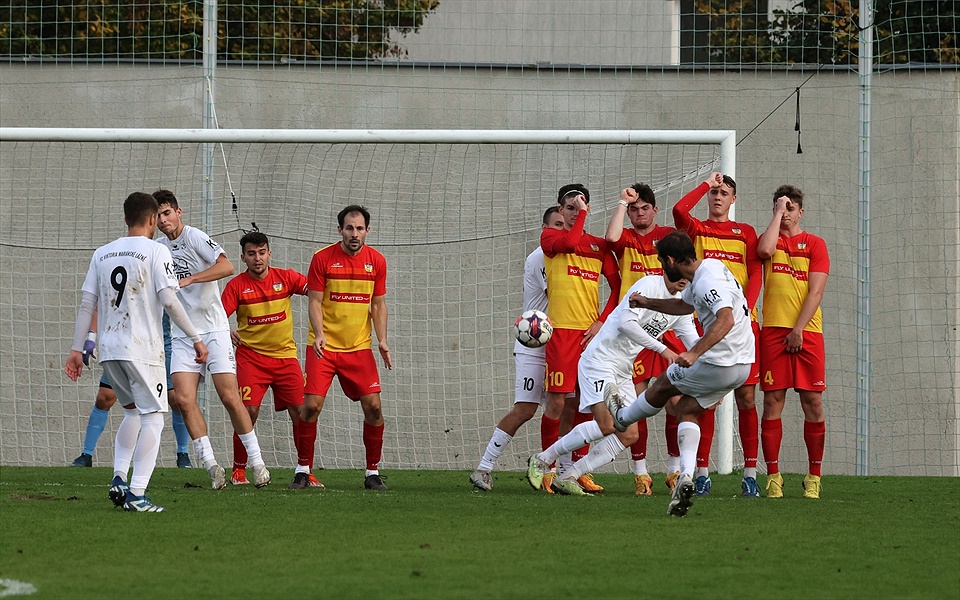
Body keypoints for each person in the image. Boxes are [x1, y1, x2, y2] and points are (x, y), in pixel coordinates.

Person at [64, 191, 208, 512]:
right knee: (154, 418)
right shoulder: (157, 250)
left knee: (131, 412)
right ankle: (138, 494)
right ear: (153, 219)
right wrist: (197, 338)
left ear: (126, 217)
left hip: (109, 349)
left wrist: (77, 350)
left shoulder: (102, 253)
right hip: (143, 349)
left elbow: (89, 303)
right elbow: (169, 299)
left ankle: (118, 477)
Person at [605, 231, 755, 516]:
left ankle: (622, 418)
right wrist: (648, 303)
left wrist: (695, 352)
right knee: (685, 409)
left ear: (671, 260)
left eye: (662, 260)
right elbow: (685, 305)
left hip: (720, 361)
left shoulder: (708, 280)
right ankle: (685, 478)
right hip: (742, 364)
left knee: (663, 384)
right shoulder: (708, 270)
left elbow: (726, 318)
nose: (662, 265)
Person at [526, 270, 698, 495]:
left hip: (622, 369)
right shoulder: (648, 286)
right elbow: (626, 325)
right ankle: (542, 459)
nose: (683, 277)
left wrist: (718, 368)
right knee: (607, 424)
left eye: (688, 271)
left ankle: (569, 476)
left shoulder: (681, 308)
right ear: (668, 264)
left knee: (629, 434)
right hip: (599, 360)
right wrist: (663, 349)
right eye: (679, 269)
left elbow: (695, 343)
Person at [155, 189, 270, 489]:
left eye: (167, 213)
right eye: (158, 215)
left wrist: (191, 278)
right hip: (182, 333)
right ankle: (211, 465)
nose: (163, 220)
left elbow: (227, 266)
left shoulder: (195, 237)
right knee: (183, 398)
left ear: (179, 213)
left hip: (214, 329)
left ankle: (257, 464)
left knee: (230, 397)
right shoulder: (157, 247)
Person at [673, 171, 763, 497]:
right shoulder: (698, 229)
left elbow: (755, 270)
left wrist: (748, 308)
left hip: (740, 325)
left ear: (733, 199)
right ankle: (701, 472)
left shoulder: (745, 233)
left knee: (747, 398)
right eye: (715, 192)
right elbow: (679, 212)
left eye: (724, 192)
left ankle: (750, 473)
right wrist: (703, 184)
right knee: (705, 401)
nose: (717, 196)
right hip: (708, 325)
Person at [469, 207, 566, 492]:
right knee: (526, 409)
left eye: (564, 225)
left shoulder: (564, 256)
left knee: (564, 405)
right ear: (544, 228)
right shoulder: (540, 258)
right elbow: (558, 294)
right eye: (556, 225)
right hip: (534, 344)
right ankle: (484, 468)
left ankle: (560, 471)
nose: (560, 230)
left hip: (561, 344)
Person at [221, 231, 322, 489]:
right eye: (252, 254)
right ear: (243, 257)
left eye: (262, 252)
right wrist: (225, 329)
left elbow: (315, 290)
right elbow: (218, 316)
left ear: (270, 253)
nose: (258, 258)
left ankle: (305, 471)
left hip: (285, 358)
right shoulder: (236, 286)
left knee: (301, 413)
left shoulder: (285, 278)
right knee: (248, 412)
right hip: (251, 359)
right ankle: (239, 471)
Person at [302, 205, 393, 491]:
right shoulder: (322, 259)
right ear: (339, 229)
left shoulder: (377, 261)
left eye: (360, 228)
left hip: (358, 347)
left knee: (375, 408)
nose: (354, 233)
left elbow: (378, 304)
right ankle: (303, 469)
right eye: (349, 228)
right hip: (324, 346)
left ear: (368, 231)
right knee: (311, 407)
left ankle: (372, 472)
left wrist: (382, 339)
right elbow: (314, 300)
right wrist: (319, 334)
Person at [540, 184, 621, 493]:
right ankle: (546, 469)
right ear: (560, 210)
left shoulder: (600, 247)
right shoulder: (550, 238)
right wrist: (583, 213)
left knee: (585, 405)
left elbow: (618, 287)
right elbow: (571, 241)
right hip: (561, 332)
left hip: (589, 336)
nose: (574, 212)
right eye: (570, 207)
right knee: (557, 402)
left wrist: (602, 320)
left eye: (579, 207)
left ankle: (572, 471)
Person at [605, 183, 685, 495]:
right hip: (635, 332)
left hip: (666, 325)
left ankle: (674, 470)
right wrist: (622, 202)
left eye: (644, 208)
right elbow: (611, 237)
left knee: (676, 403)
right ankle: (641, 474)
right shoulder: (624, 238)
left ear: (654, 210)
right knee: (637, 404)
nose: (639, 214)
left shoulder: (668, 236)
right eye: (634, 209)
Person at [756, 185, 829, 499]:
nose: (786, 213)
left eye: (791, 208)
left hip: (807, 332)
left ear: (801, 212)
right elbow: (763, 252)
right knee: (772, 401)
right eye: (780, 207)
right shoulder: (770, 240)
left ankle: (814, 476)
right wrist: (775, 216)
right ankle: (773, 476)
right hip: (773, 331)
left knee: (812, 403)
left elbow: (816, 292)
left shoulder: (815, 243)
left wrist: (798, 328)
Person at [70, 314, 193, 469]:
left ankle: (183, 454)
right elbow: (97, 302)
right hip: (124, 345)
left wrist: (195, 338)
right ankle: (86, 455)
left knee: (175, 399)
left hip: (158, 345)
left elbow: (174, 301)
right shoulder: (114, 289)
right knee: (105, 397)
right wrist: (91, 337)